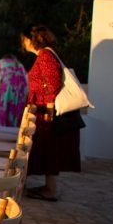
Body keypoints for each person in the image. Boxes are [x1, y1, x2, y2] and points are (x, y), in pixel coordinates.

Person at [22, 25, 82, 202]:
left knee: (49, 148)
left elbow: (53, 82)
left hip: (47, 112)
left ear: (29, 39)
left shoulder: (45, 55)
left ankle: (50, 190)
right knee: (48, 150)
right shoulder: (46, 54)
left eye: (24, 39)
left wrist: (49, 109)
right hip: (43, 110)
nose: (23, 43)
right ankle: (49, 187)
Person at [0, 53, 28, 127]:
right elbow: (23, 78)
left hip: (8, 88)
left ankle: (3, 129)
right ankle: (16, 131)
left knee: (4, 108)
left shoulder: (0, 62)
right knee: (17, 111)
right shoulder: (19, 64)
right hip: (22, 90)